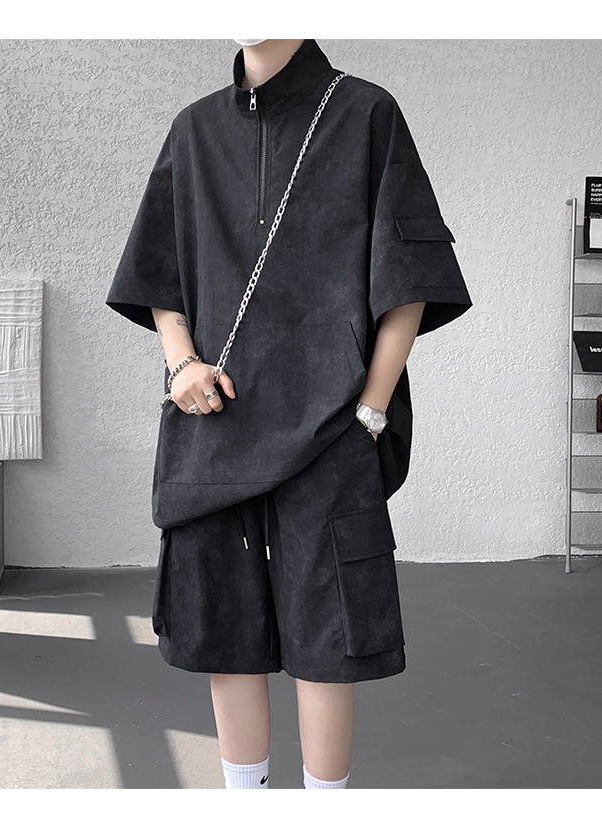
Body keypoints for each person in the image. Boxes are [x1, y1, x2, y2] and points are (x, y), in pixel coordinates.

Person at [106, 38, 473, 789]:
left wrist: (370, 410)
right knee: (225, 633)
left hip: (331, 427)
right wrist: (180, 364)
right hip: (216, 420)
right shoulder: (195, 129)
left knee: (327, 640)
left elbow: (409, 280)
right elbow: (157, 273)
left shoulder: (365, 112)